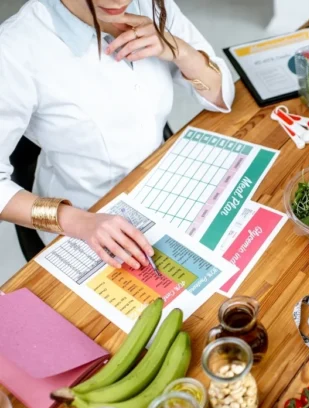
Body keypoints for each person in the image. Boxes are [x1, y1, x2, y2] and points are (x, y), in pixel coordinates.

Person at [0, 0, 235, 269]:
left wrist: (178, 49)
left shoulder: (150, 5)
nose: (119, 2)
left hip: (164, 188)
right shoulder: (15, 48)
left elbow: (220, 95)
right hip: (85, 217)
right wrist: (80, 222)